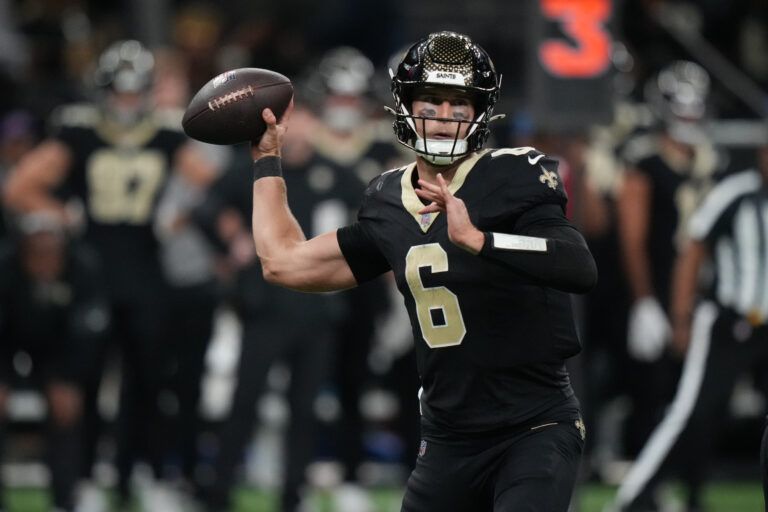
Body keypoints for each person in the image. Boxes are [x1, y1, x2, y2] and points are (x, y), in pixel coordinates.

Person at [244, 31, 596, 512]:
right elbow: (284, 263)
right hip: (448, 439)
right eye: (431, 102)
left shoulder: (515, 174)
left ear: (480, 113)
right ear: (405, 106)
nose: (445, 118)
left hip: (532, 425)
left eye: (459, 104)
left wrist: (481, 241)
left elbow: (577, 264)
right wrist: (267, 161)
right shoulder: (388, 198)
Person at [1, 39, 215, 509]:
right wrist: (60, 213)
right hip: (91, 273)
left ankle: (142, 473)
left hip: (145, 270)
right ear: (102, 92)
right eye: (119, 92)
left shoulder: (164, 134)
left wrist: (176, 213)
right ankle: (86, 477)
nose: (127, 102)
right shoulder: (78, 133)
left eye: (135, 91)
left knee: (148, 382)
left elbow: (211, 184)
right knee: (87, 381)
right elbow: (19, 188)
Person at [194, 105, 366, 512]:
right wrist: (230, 241)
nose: (300, 128)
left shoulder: (338, 175)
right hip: (265, 307)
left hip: (318, 310)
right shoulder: (258, 170)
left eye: (306, 118)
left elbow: (368, 230)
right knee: (244, 403)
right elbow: (206, 208)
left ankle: (294, 494)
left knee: (304, 410)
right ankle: (218, 492)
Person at [611, 135, 768, 512]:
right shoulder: (736, 193)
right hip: (733, 320)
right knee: (690, 411)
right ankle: (633, 497)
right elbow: (692, 248)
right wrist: (681, 317)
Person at [616, 60, 721, 457]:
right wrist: (643, 299)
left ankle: (684, 480)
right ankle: (645, 483)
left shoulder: (710, 161)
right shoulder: (645, 161)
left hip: (701, 289)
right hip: (658, 287)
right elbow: (633, 238)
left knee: (692, 393)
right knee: (651, 389)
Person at [0, 212, 109, 511]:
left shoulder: (84, 269)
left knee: (66, 406)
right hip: (10, 342)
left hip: (62, 351)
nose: (44, 261)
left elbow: (88, 334)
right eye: (37, 253)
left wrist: (68, 379)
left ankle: (66, 497)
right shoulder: (5, 268)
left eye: (51, 253)